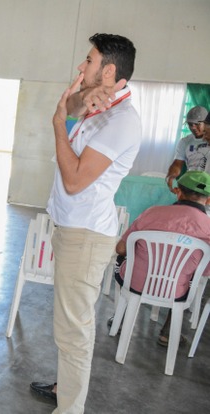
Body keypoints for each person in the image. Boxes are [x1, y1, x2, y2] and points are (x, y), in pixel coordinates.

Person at [30, 34, 141, 413]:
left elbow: (75, 180)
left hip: (86, 236)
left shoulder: (123, 121)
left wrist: (59, 124)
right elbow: (73, 102)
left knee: (74, 331)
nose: (81, 66)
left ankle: (70, 408)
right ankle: (67, 388)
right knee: (69, 324)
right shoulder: (101, 107)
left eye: (89, 61)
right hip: (73, 230)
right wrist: (74, 101)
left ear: (109, 71)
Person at [112, 170, 210, 346]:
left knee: (125, 261)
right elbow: (205, 271)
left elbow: (120, 249)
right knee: (190, 278)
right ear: (209, 200)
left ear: (178, 191)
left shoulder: (152, 213)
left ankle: (121, 320)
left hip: (136, 283)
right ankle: (168, 332)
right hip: (176, 291)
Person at [166, 106, 209, 191]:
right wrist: (171, 176)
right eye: (190, 124)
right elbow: (177, 164)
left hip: (207, 185)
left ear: (206, 123)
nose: (193, 127)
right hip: (192, 184)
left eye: (197, 124)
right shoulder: (185, 142)